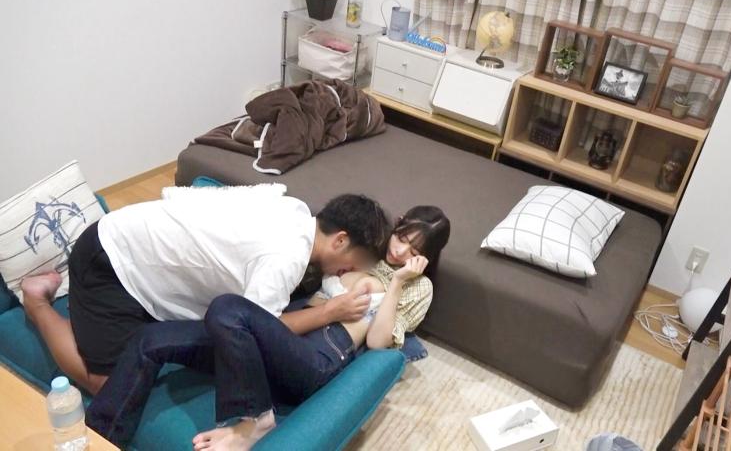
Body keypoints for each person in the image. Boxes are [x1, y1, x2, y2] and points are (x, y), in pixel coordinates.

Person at [84, 206, 451, 450]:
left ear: (426, 257)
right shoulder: (359, 248)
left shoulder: (417, 286)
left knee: (227, 308)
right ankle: (97, 438)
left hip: (317, 356)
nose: (400, 251)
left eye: (414, 249)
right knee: (151, 339)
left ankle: (256, 420)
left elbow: (379, 341)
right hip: (277, 340)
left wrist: (398, 282)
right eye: (402, 237)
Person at [21, 188, 391, 395]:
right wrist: (330, 312)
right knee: (108, 385)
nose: (349, 272)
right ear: (340, 240)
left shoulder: (295, 210)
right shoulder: (286, 257)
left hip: (137, 246)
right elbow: (257, 327)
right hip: (111, 262)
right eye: (355, 262)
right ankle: (36, 302)